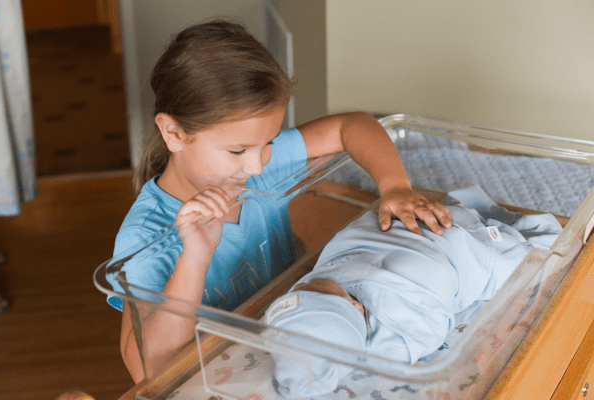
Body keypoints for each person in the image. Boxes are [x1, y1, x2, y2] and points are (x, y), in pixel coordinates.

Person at [107, 20, 453, 382]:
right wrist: (195, 256)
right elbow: (150, 368)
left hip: (293, 335)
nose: (256, 165)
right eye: (238, 150)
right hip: (222, 374)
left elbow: (351, 125)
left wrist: (395, 186)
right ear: (174, 133)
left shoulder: (256, 166)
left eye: (269, 142)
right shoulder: (145, 234)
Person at [265, 186, 563, 399]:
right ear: (354, 307)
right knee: (525, 266)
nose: (303, 283)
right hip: (455, 247)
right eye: (311, 286)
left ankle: (485, 219)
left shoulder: (318, 294)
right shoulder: (397, 335)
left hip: (394, 227)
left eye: (299, 287)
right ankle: (538, 234)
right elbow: (430, 331)